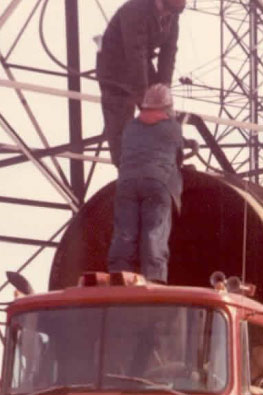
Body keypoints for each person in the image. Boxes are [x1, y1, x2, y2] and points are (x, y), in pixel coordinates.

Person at [107, 83, 183, 284]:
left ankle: (119, 274)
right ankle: (155, 277)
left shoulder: (131, 127)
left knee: (125, 230)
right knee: (154, 230)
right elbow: (178, 157)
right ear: (167, 107)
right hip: (157, 182)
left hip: (127, 182)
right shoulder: (173, 128)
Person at [96, 0, 186, 165]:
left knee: (165, 114)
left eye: (173, 13)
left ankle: (171, 165)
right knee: (121, 129)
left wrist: (164, 88)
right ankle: (128, 171)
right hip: (114, 73)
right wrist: (147, 102)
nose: (168, 15)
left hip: (142, 64)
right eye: (166, 10)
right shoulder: (134, 10)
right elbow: (136, 53)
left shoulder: (172, 15)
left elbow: (169, 52)